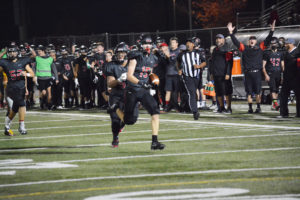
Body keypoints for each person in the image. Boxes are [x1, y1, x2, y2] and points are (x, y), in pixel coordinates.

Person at [125, 35, 165, 150]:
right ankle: (115, 109)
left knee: (155, 111)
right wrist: (142, 83)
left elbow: (150, 73)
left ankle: (154, 142)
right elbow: (129, 76)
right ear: (141, 45)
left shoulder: (153, 58)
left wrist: (152, 82)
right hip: (132, 89)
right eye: (145, 44)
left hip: (143, 90)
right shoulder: (135, 57)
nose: (147, 46)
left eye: (149, 43)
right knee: (129, 120)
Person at [228, 21, 275, 113]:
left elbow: (268, 39)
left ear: (256, 41)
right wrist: (231, 33)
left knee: (258, 92)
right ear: (248, 41)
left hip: (257, 73)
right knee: (249, 92)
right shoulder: (244, 48)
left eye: (253, 39)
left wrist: (272, 30)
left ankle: (258, 107)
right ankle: (250, 108)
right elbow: (236, 42)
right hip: (248, 73)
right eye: (250, 39)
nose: (252, 41)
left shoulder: (260, 48)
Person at [0, 45, 36, 136]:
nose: (12, 54)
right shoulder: (4, 62)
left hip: (21, 88)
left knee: (15, 108)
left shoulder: (23, 61)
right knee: (22, 104)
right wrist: (3, 52)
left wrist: (26, 74)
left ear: (17, 52)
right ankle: (21, 126)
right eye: (10, 52)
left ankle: (7, 126)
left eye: (14, 51)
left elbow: (32, 74)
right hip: (11, 88)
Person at [105, 42, 129, 147]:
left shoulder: (132, 64)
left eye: (123, 53)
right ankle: (115, 138)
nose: (121, 55)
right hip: (116, 94)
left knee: (128, 118)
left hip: (128, 94)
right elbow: (110, 83)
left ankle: (122, 125)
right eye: (119, 53)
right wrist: (119, 80)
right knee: (115, 118)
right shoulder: (111, 65)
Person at [177, 37, 206, 120]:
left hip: (196, 76)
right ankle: (195, 111)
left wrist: (199, 66)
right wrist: (179, 69)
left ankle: (195, 107)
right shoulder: (182, 54)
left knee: (195, 93)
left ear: (193, 44)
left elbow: (204, 62)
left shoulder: (198, 53)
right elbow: (178, 62)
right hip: (187, 76)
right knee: (192, 93)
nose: (188, 44)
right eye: (187, 42)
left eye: (190, 42)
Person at [210, 34, 233, 113]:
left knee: (227, 91)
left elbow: (230, 63)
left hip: (224, 74)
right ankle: (221, 107)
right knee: (219, 92)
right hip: (216, 74)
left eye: (220, 38)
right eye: (217, 38)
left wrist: (228, 73)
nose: (218, 40)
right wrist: (212, 73)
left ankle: (229, 108)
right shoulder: (215, 50)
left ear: (223, 40)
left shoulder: (227, 49)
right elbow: (212, 62)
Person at [33, 45, 59, 110]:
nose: (38, 52)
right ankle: (42, 103)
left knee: (49, 94)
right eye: (38, 51)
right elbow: (33, 68)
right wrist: (34, 75)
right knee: (43, 93)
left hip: (48, 78)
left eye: (39, 51)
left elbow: (54, 69)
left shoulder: (50, 59)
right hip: (40, 79)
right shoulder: (37, 58)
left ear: (43, 51)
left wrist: (57, 78)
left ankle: (49, 105)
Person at [279, 38, 300, 118]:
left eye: (286, 43)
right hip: (287, 78)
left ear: (291, 44)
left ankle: (299, 114)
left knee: (298, 96)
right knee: (283, 96)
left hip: (296, 78)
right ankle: (284, 113)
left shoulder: (298, 52)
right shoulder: (286, 53)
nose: (285, 45)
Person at [262, 37, 285, 110]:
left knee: (277, 90)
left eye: (274, 43)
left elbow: (282, 65)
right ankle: (275, 104)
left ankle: (274, 104)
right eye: (272, 43)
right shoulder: (267, 53)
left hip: (278, 73)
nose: (273, 44)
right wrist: (266, 75)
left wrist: (282, 75)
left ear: (277, 43)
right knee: (273, 89)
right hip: (270, 73)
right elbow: (263, 66)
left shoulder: (280, 53)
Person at [163, 37, 181, 112]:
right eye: (171, 42)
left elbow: (175, 62)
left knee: (176, 91)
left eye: (173, 42)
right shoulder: (168, 51)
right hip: (168, 74)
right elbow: (165, 63)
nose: (172, 44)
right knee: (168, 90)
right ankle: (167, 106)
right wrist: (165, 56)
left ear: (177, 43)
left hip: (176, 73)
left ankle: (176, 105)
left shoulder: (178, 52)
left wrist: (168, 56)